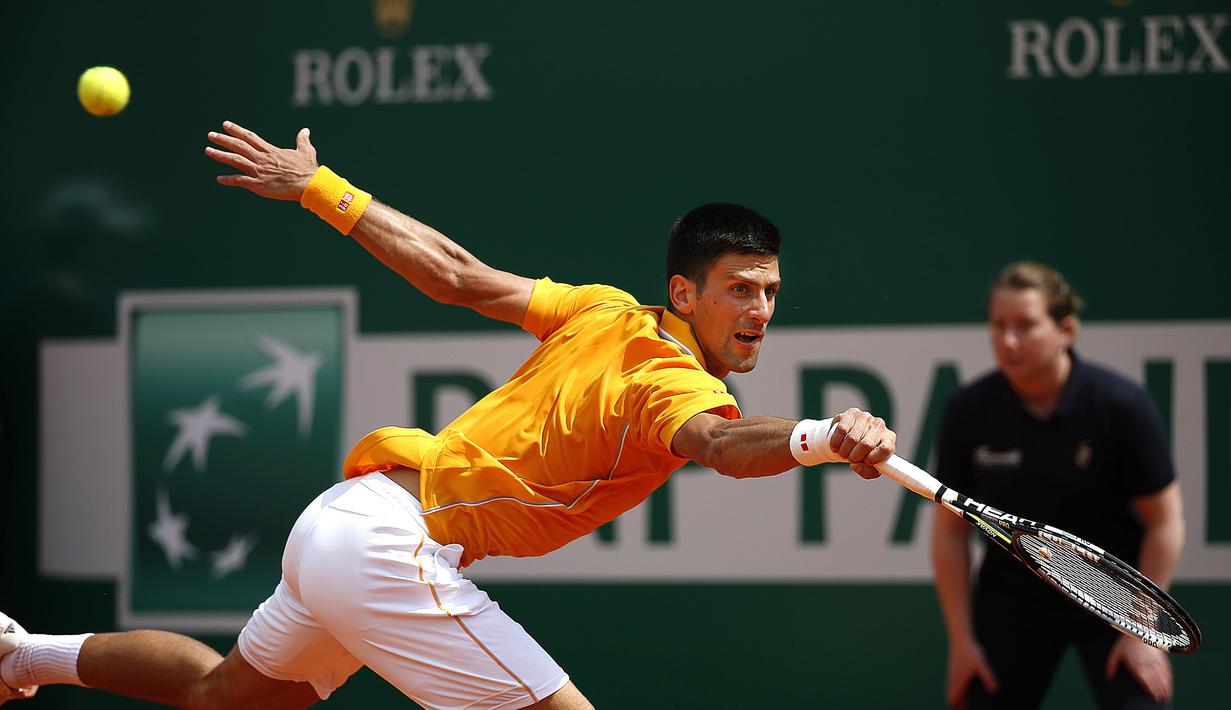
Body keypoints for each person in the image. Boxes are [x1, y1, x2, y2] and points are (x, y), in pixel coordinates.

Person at [0, 121, 898, 709]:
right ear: (683, 292)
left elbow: (455, 275)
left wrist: (324, 187)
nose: (759, 310)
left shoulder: (599, 307)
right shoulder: (673, 383)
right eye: (739, 289)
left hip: (342, 523)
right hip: (392, 546)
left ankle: (20, 657)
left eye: (770, 292)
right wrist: (820, 437)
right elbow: (719, 445)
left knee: (221, 694)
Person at [930, 262, 1185, 710]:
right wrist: (962, 644)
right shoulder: (967, 411)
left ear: (1065, 329)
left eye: (1026, 326)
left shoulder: (1121, 405)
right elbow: (949, 534)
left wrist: (1143, 632)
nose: (1009, 342)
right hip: (1013, 593)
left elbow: (1166, 521)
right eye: (999, 326)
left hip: (1115, 596)